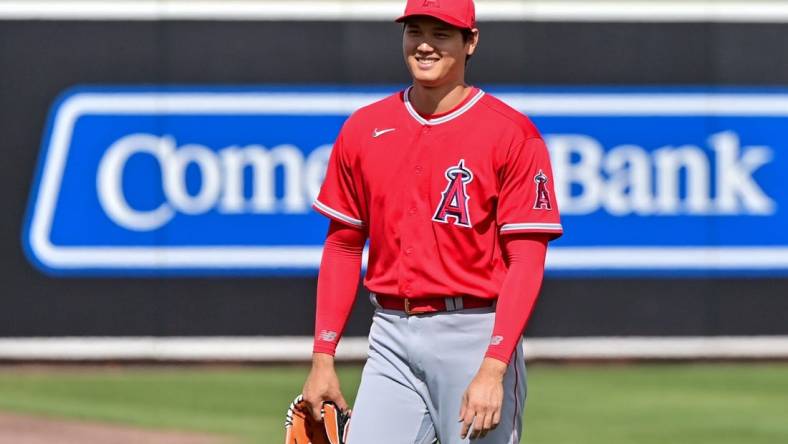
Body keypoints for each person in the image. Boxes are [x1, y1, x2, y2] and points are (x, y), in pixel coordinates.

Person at [301, 0, 562, 442]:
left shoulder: (512, 133)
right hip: (389, 333)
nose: (424, 45)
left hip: (475, 332)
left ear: (470, 42)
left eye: (441, 34)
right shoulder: (365, 127)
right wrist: (323, 357)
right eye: (415, 31)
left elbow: (527, 260)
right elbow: (344, 245)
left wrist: (494, 367)